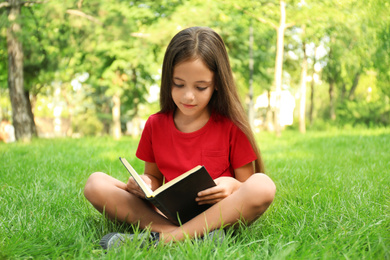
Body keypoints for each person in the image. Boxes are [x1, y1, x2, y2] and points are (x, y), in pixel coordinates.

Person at [84, 26, 276, 249]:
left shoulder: (232, 126)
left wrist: (231, 185)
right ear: (168, 79)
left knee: (263, 185)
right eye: (178, 84)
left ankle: (162, 239)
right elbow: (154, 178)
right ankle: (190, 236)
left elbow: (247, 185)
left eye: (201, 87)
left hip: (220, 216)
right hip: (169, 215)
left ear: (216, 85)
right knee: (95, 183)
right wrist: (144, 184)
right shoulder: (155, 124)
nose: (188, 96)